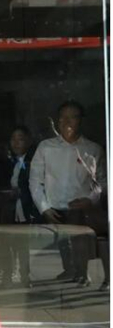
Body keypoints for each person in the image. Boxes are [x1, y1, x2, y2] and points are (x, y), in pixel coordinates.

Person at [29, 100, 106, 287]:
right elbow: (35, 180)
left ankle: (84, 274)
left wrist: (91, 200)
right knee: (64, 245)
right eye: (63, 118)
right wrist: (44, 208)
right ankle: (71, 272)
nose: (67, 122)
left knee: (83, 245)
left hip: (82, 210)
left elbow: (102, 181)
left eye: (73, 117)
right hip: (55, 209)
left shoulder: (93, 149)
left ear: (81, 120)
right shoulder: (46, 147)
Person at [0, 126, 40, 287]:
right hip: (8, 209)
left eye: (20, 139)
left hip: (24, 209)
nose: (16, 143)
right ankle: (7, 276)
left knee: (22, 245)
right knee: (6, 244)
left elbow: (35, 186)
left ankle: (25, 276)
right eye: (13, 139)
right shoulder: (7, 162)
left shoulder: (33, 161)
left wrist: (20, 193)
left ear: (28, 141)